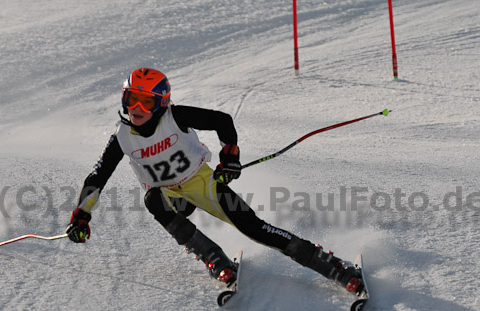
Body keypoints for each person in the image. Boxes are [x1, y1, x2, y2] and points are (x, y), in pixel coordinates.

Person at [66, 67, 363, 292]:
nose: (136, 109)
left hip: (202, 182)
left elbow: (223, 121)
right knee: (152, 199)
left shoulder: (176, 117)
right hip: (172, 197)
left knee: (254, 228)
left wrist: (230, 157)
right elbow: (98, 175)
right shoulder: (122, 137)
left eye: (145, 102)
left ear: (161, 103)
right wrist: (81, 214)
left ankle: (332, 266)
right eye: (131, 99)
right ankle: (213, 257)